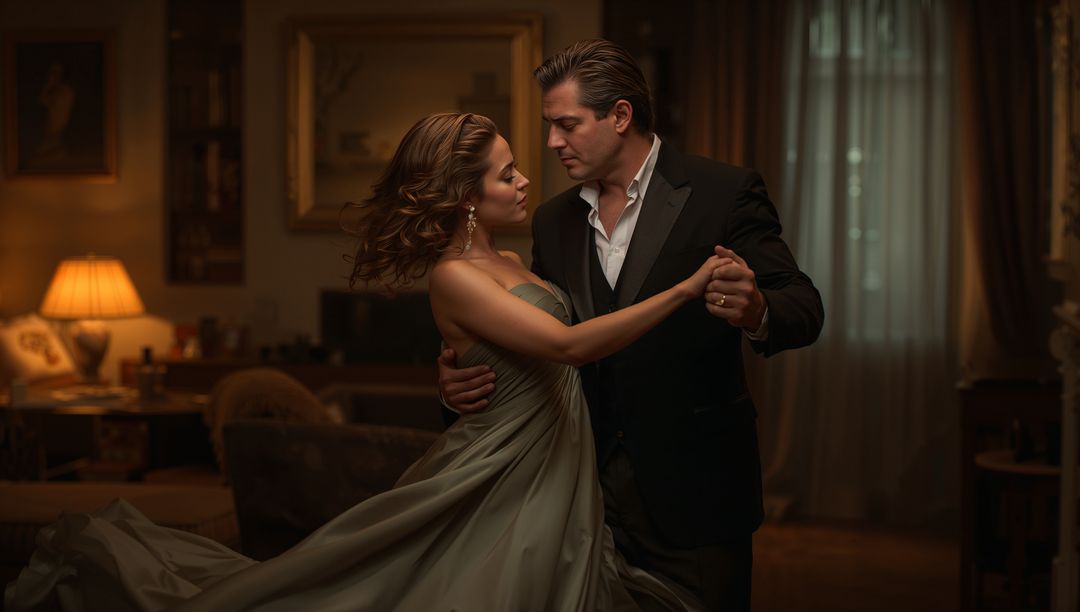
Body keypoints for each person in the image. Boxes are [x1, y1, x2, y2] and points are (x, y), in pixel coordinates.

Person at [5, 112, 721, 612]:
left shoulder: (508, 258)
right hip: (501, 467)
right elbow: (566, 346)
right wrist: (687, 289)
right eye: (507, 175)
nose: (526, 180)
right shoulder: (453, 278)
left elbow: (534, 350)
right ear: (468, 198)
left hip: (551, 457)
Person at [438, 40, 824, 611]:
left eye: (566, 125)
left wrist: (757, 310)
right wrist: (456, 375)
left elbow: (804, 305)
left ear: (620, 116)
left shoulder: (722, 192)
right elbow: (533, 333)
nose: (552, 143)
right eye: (550, 126)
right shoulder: (553, 220)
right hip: (578, 495)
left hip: (694, 496)